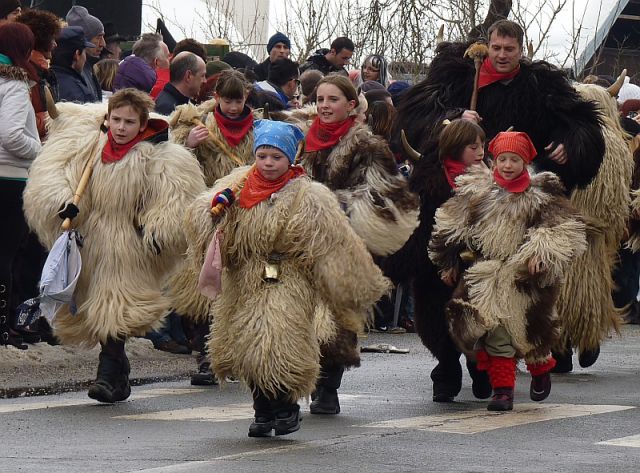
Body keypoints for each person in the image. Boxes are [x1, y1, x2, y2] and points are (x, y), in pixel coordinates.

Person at [391, 19, 610, 390]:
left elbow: (584, 125)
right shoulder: (458, 76)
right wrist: (454, 119)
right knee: (434, 279)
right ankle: (446, 361)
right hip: (449, 192)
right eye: (497, 48)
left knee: (493, 285)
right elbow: (412, 116)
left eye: (510, 50)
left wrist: (567, 143)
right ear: (487, 46)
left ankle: (484, 363)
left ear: (521, 51)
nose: (502, 55)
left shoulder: (541, 86)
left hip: (507, 206)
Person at [184, 119, 388, 436]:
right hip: (245, 280)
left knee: (278, 344)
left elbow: (333, 241)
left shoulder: (308, 196)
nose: (268, 163)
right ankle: (263, 411)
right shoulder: (236, 186)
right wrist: (214, 212)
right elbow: (202, 216)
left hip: (288, 280)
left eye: (276, 157)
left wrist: (345, 284)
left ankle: (285, 407)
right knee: (247, 346)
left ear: (290, 158)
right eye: (262, 155)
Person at [23, 88, 205, 403]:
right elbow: (61, 174)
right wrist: (64, 202)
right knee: (94, 305)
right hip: (92, 240)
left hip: (127, 244)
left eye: (129, 122)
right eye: (116, 119)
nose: (121, 127)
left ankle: (107, 372)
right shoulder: (91, 147)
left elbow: (175, 197)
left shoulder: (158, 155)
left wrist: (156, 225)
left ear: (142, 123)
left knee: (116, 303)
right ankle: (118, 371)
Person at [429, 131, 587, 411]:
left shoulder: (541, 196)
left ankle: (540, 369)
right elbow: (451, 227)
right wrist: (448, 261)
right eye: (502, 159)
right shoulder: (477, 194)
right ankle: (503, 391)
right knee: (495, 331)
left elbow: (559, 227)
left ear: (525, 162)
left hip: (524, 276)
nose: (507, 165)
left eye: (514, 159)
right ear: (494, 161)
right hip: (487, 275)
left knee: (531, 332)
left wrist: (540, 252)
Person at [299, 74, 419, 414]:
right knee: (299, 312)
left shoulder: (368, 146)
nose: (324, 105)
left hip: (345, 242)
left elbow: (386, 193)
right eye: (320, 99)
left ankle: (328, 384)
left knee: (337, 315)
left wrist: (333, 204)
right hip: (301, 240)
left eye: (333, 99)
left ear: (351, 105)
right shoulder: (302, 139)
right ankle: (296, 379)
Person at [167, 68, 255, 384]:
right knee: (206, 284)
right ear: (216, 98)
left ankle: (237, 352)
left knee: (240, 286)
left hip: (247, 213)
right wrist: (188, 144)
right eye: (227, 101)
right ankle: (206, 356)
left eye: (238, 100)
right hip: (210, 213)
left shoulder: (259, 128)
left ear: (247, 98)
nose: (233, 107)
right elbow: (170, 159)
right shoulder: (198, 124)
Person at [0, 22, 41, 349]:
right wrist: (42, 152)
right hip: (11, 178)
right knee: (6, 256)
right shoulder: (13, 84)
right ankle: (2, 327)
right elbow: (12, 135)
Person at [17, 8, 61, 139]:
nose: (55, 44)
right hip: (31, 149)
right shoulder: (30, 72)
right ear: (41, 40)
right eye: (52, 38)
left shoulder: (40, 69)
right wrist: (56, 119)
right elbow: (23, 121)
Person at [65, 5, 105, 102]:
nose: (103, 44)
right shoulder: (75, 71)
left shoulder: (88, 68)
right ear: (84, 40)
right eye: (98, 37)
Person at [51, 26, 99, 104]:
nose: (85, 58)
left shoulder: (42, 81)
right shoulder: (81, 93)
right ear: (77, 55)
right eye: (84, 52)